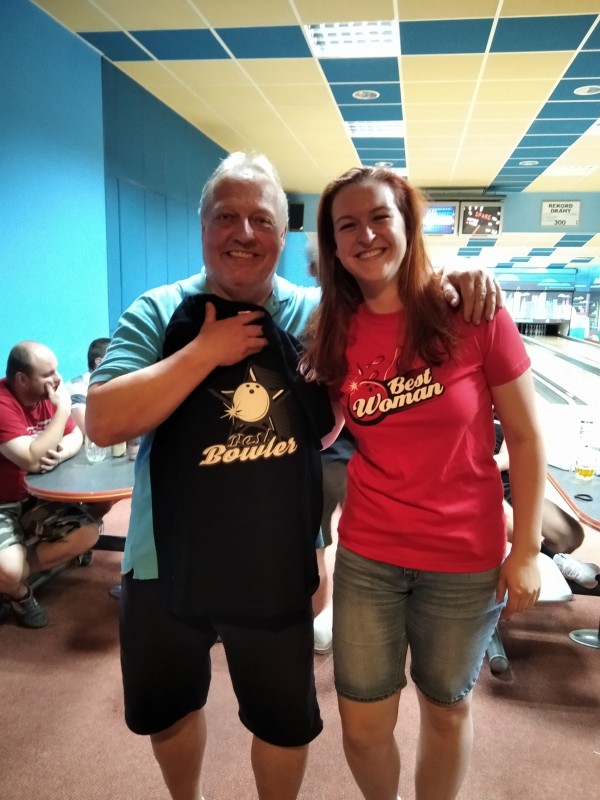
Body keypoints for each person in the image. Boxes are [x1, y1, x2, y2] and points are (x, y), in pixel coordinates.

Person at [85, 151, 502, 800]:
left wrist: (450, 275)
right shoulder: (158, 310)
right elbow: (104, 420)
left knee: (282, 722)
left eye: (261, 219)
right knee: (170, 709)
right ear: (202, 225)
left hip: (274, 564)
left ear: (284, 235)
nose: (244, 233)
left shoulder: (318, 314)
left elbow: (391, 300)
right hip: (161, 558)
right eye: (226, 216)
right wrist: (204, 352)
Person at [301, 166, 546, 800]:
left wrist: (525, 551)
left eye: (380, 216)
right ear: (333, 245)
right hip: (370, 554)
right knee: (362, 724)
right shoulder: (333, 330)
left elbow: (525, 436)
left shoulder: (473, 314)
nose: (366, 234)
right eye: (347, 225)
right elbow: (322, 428)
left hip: (463, 559)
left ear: (408, 224)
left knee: (445, 708)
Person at [0, 341, 101, 628]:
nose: (57, 379)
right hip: (2, 503)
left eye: (56, 370)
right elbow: (31, 459)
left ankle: (8, 579)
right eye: (48, 374)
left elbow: (75, 436)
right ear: (22, 379)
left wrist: (60, 454)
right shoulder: (3, 403)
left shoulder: (45, 395)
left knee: (87, 534)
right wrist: (63, 410)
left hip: (35, 498)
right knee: (9, 570)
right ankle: (19, 593)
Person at [494, 420, 599, 590]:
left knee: (570, 535)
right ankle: (552, 562)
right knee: (516, 528)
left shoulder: (502, 411)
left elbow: (509, 454)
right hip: (476, 487)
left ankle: (546, 571)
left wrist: (487, 465)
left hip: (506, 482)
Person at [65, 337, 111, 436]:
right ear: (99, 362)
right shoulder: (78, 386)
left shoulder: (107, 386)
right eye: (115, 358)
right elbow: (87, 432)